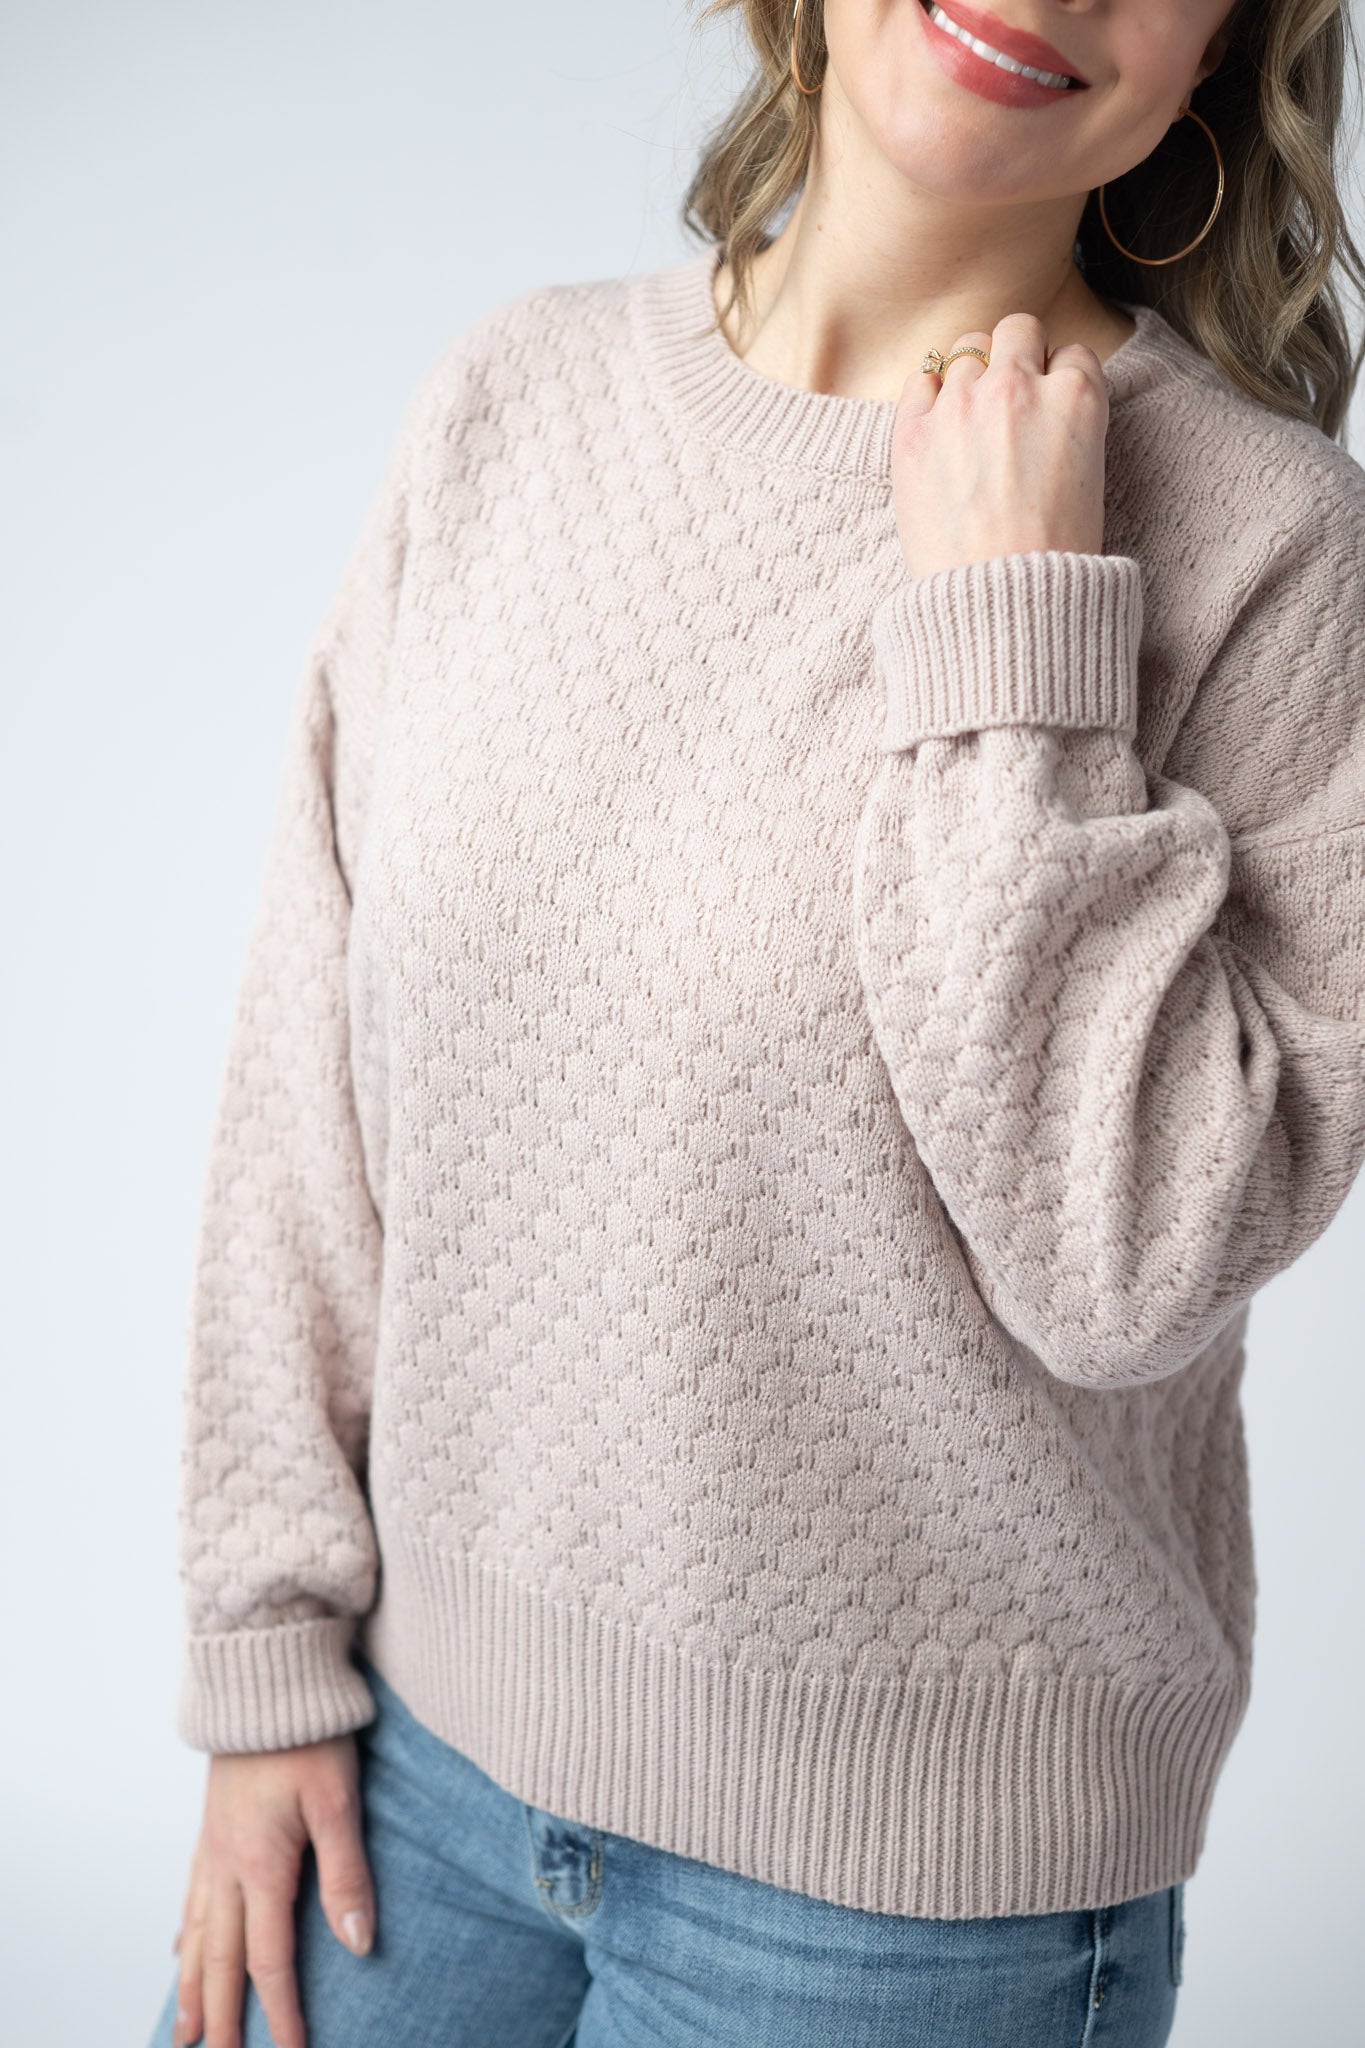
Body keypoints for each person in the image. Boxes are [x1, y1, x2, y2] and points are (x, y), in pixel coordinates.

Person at [149, 0, 1365, 2043]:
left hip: (906, 1904)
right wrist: (262, 1654)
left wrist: (1011, 642)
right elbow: (309, 1082)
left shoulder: (1271, 552)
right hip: (408, 1775)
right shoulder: (510, 400)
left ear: (1224, 51)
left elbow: (1127, 1265)